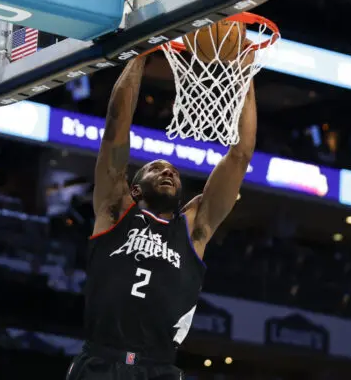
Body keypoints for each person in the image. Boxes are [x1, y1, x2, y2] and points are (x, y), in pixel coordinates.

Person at [66, 50, 257, 380]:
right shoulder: (114, 211)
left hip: (158, 370)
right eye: (156, 169)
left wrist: (245, 76)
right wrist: (139, 55)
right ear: (135, 189)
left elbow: (240, 156)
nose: (168, 172)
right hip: (100, 361)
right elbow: (115, 126)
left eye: (173, 173)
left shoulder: (194, 228)